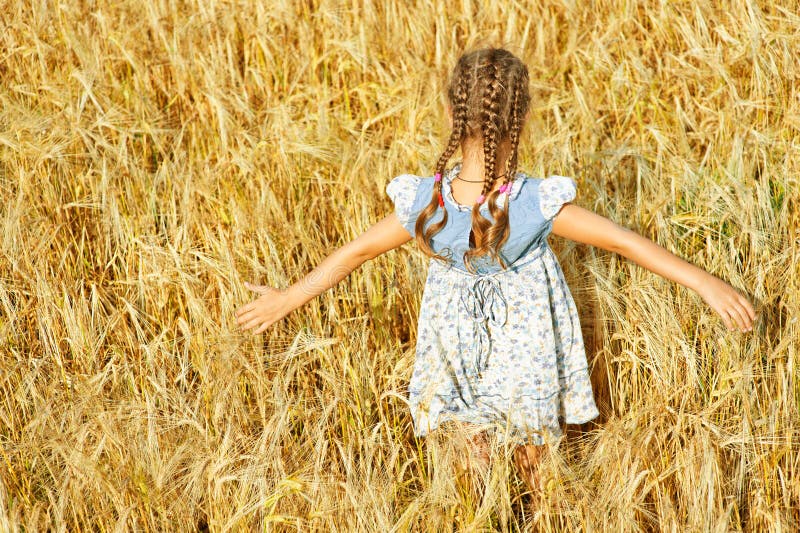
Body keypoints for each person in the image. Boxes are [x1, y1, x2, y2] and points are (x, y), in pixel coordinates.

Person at [235, 47, 756, 499]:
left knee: (469, 463)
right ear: (523, 117)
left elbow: (353, 255)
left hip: (453, 347)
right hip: (524, 350)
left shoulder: (426, 203)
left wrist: (286, 299)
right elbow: (626, 243)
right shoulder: (532, 203)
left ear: (450, 112)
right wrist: (704, 281)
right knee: (537, 465)